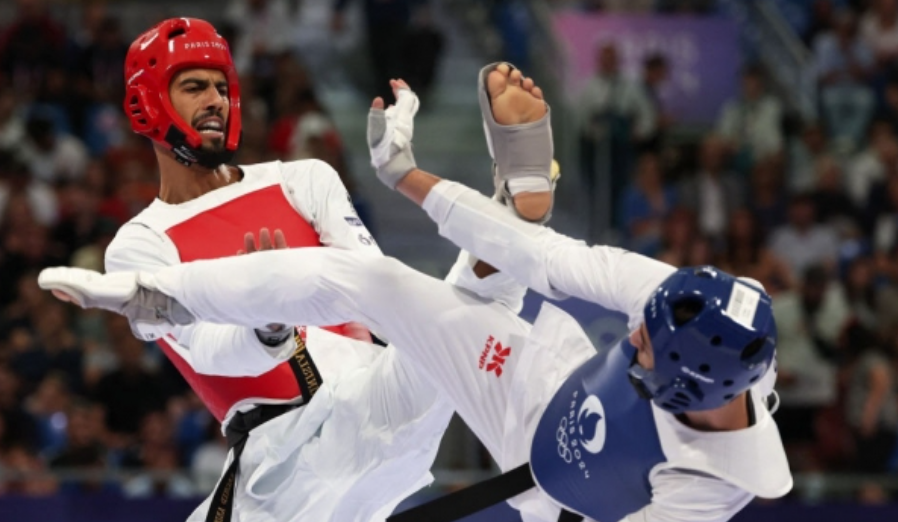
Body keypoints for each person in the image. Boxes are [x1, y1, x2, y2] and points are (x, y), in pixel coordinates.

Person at [41, 65, 792, 522]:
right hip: (298, 437)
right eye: (192, 84)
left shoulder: (720, 480)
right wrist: (403, 173)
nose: (629, 331)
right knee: (412, 289)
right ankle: (157, 294)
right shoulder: (685, 296)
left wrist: (276, 320)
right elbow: (552, 260)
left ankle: (508, 201)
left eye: (217, 84)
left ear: (686, 385)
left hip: (415, 418)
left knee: (386, 293)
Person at [96, 17, 525, 522]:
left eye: (221, 86)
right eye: (194, 86)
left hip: (371, 397)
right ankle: (513, 215)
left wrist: (403, 176)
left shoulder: (303, 179)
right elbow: (208, 351)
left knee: (447, 322)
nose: (216, 99)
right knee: (454, 323)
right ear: (147, 105)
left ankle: (517, 196)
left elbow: (380, 290)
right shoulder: (140, 244)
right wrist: (268, 321)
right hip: (282, 458)